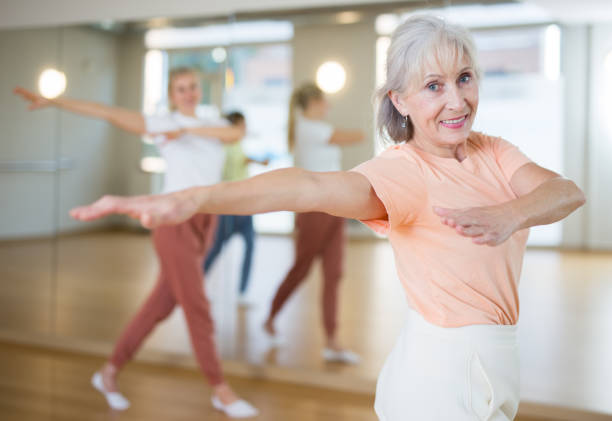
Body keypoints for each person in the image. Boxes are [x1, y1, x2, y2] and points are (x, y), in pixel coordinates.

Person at [70, 15, 585, 421]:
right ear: (399, 100)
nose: (457, 100)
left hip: (492, 365)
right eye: (433, 86)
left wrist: (510, 214)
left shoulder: (493, 150)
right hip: (445, 378)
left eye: (465, 78)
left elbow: (565, 192)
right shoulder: (403, 172)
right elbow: (306, 186)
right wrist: (194, 199)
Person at [14, 67, 259, 418]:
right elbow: (110, 113)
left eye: (192, 87)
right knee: (197, 307)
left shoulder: (211, 122)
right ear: (172, 94)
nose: (188, 93)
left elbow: (236, 133)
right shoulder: (162, 123)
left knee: (159, 306)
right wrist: (56, 101)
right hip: (173, 223)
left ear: (199, 90)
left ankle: (109, 372)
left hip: (207, 223)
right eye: (180, 89)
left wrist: (185, 129)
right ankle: (220, 389)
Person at [264, 83, 364, 363]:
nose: (328, 107)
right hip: (313, 211)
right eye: (324, 102)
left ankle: (332, 341)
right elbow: (354, 136)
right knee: (301, 269)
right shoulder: (308, 128)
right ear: (313, 103)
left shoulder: (314, 127)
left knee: (334, 274)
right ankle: (271, 316)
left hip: (336, 207)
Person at [203, 111, 268, 304]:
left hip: (246, 207)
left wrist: (257, 161)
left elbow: (243, 159)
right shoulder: (223, 147)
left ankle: (242, 293)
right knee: (216, 247)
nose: (245, 128)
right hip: (229, 208)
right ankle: (198, 283)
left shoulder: (238, 144)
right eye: (242, 125)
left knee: (250, 246)